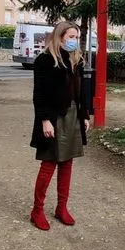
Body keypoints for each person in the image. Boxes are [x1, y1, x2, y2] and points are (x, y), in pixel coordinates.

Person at [28, 21, 91, 231]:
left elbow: (81, 92)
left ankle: (61, 208)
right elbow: (40, 94)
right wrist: (45, 119)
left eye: (76, 37)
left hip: (73, 115)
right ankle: (37, 211)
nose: (74, 41)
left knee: (67, 163)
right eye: (70, 37)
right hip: (53, 117)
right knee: (49, 163)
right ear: (60, 36)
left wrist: (84, 115)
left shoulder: (77, 60)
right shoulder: (45, 60)